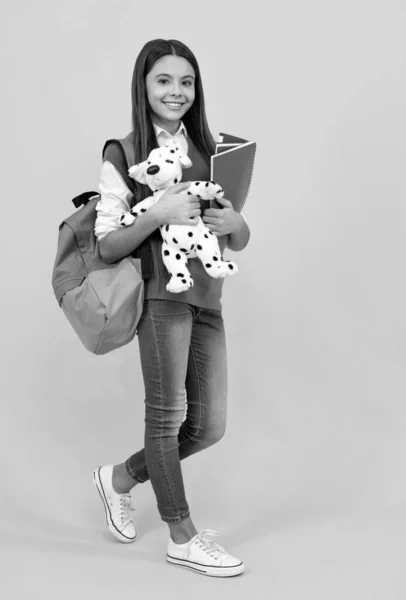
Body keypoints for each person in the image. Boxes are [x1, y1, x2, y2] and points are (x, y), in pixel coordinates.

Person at [92, 39, 250, 578]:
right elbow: (107, 245)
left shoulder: (215, 150)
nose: (176, 92)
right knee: (166, 418)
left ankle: (118, 478)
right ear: (144, 85)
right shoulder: (124, 152)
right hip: (161, 296)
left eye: (186, 82)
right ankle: (181, 535)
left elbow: (236, 235)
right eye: (164, 81)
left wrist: (238, 227)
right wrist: (158, 210)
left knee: (209, 426)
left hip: (208, 296)